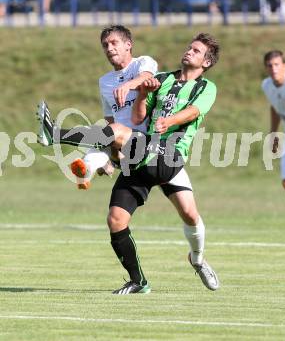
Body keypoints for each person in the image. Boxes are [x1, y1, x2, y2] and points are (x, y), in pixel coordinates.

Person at [37, 32, 220, 294]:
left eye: (197, 51)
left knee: (191, 216)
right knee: (116, 219)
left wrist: (169, 121)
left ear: (206, 63)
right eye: (189, 47)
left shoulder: (206, 87)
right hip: (143, 152)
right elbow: (138, 116)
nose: (189, 51)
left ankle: (198, 260)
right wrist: (144, 95)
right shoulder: (164, 79)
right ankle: (139, 281)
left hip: (169, 154)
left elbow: (195, 111)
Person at [70, 24, 158, 189]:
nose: (109, 48)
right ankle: (90, 167)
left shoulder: (143, 62)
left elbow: (146, 77)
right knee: (115, 216)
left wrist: (127, 85)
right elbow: (110, 117)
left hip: (146, 142)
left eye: (114, 43)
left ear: (128, 44)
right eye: (105, 45)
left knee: (188, 211)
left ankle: (89, 165)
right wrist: (113, 153)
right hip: (122, 145)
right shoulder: (104, 81)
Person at [261, 50, 285, 207]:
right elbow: (275, 108)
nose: (273, 69)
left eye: (277, 64)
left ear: (284, 66)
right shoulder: (266, 85)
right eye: (270, 65)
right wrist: (273, 133)